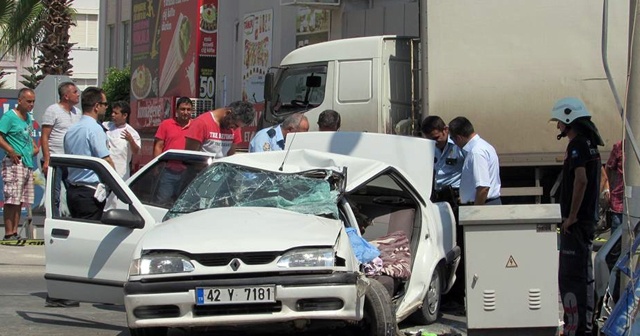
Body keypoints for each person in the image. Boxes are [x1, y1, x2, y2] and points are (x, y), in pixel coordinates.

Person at [550, 97, 604, 336]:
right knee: (583, 276)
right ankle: (582, 326)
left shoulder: (577, 146)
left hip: (578, 224)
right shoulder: (589, 144)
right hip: (585, 222)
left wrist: (571, 217)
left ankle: (578, 329)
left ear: (569, 119)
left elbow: (580, 180)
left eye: (560, 122)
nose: (558, 127)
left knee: (573, 277)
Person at [63, 87, 114, 220]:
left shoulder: (71, 130)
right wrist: (116, 184)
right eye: (105, 104)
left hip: (72, 191)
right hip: (89, 193)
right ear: (96, 106)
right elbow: (106, 160)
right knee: (90, 235)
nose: (106, 108)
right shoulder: (95, 129)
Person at [0, 88, 38, 240]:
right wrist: (10, 150)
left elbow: (27, 138)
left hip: (26, 163)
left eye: (33, 101)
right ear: (20, 101)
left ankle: (15, 232)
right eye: (28, 101)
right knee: (12, 198)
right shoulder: (9, 117)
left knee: (21, 199)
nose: (31, 104)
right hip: (14, 162)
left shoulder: (28, 118)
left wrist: (33, 149)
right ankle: (9, 233)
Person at [40, 82, 81, 215]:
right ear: (66, 96)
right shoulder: (53, 110)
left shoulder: (78, 113)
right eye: (74, 92)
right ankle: (54, 221)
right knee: (54, 194)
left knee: (73, 194)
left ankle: (73, 221)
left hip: (71, 161)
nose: (78, 94)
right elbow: (45, 136)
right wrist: (47, 160)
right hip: (55, 159)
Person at [448, 116, 501, 205]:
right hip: (486, 203)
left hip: (484, 205)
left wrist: (475, 212)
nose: (454, 143)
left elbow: (483, 187)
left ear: (458, 138)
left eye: (452, 139)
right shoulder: (484, 146)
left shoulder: (476, 152)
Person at [153, 97, 194, 206]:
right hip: (168, 171)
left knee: (184, 203)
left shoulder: (196, 126)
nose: (185, 112)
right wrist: (156, 166)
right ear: (176, 110)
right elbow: (158, 146)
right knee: (162, 202)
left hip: (188, 172)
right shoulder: (166, 124)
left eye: (188, 109)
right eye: (182, 109)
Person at [185, 100, 256, 157]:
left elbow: (230, 156)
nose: (235, 129)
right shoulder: (201, 123)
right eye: (235, 125)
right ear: (228, 113)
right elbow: (190, 157)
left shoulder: (235, 129)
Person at [421, 115, 464, 204]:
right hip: (436, 194)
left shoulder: (458, 145)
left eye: (436, 138)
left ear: (445, 130)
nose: (434, 142)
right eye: (430, 140)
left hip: (455, 194)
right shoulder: (429, 147)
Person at [103, 101, 141, 179]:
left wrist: (131, 140)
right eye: (112, 112)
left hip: (121, 175)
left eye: (116, 113)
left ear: (124, 115)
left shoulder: (132, 133)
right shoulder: (106, 126)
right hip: (104, 171)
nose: (112, 115)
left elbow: (136, 151)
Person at [606, 140, 623, 233]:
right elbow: (608, 168)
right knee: (616, 240)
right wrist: (608, 189)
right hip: (619, 202)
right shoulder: (619, 146)